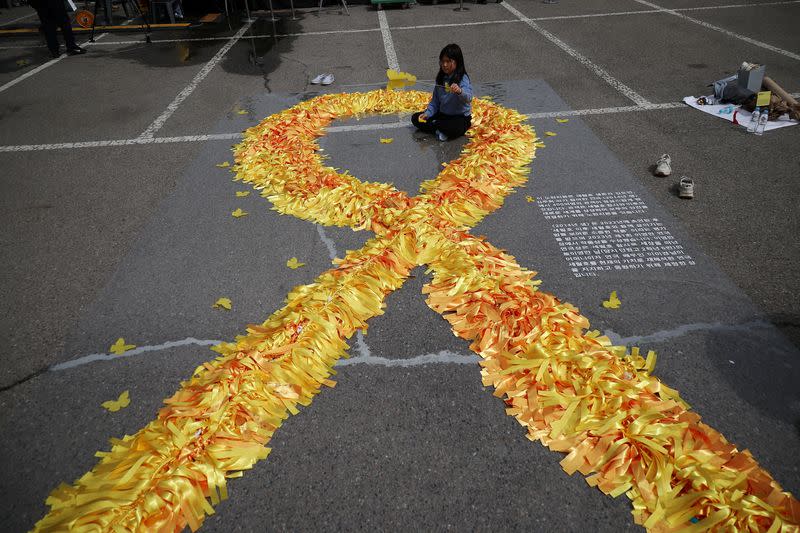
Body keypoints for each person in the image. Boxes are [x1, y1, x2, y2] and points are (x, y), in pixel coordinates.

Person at [412, 43, 472, 142]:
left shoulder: (463, 78)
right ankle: (438, 128)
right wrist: (428, 113)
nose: (444, 65)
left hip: (459, 118)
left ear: (457, 62)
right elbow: (435, 101)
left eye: (448, 61)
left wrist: (459, 91)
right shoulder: (441, 78)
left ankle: (437, 126)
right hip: (443, 115)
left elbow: (468, 98)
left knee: (452, 128)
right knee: (415, 118)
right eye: (442, 61)